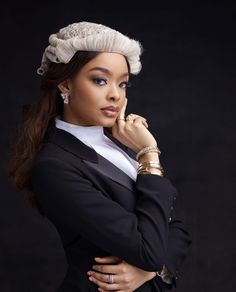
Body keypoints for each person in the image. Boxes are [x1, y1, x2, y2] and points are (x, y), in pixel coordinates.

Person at [7, 21, 192, 291]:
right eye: (99, 80)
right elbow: (148, 249)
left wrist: (154, 271)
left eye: (123, 83)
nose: (115, 94)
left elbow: (177, 228)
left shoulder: (120, 145)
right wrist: (148, 155)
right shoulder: (55, 166)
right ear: (65, 84)